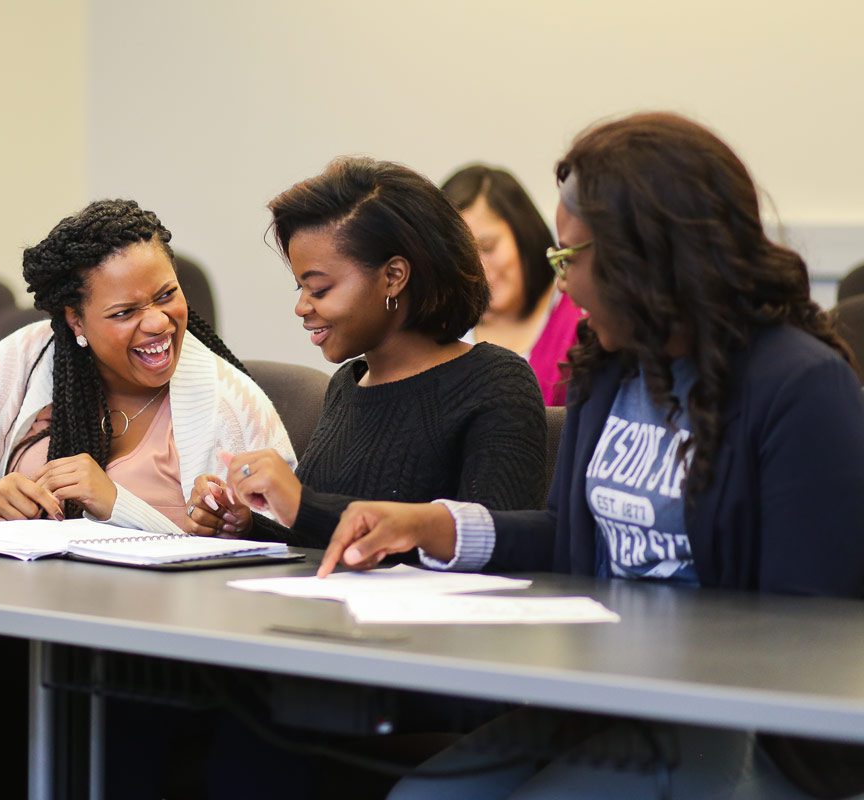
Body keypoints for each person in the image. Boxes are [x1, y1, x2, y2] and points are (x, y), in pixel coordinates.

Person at [318, 113, 864, 799]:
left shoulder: (800, 387)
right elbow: (573, 537)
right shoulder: (608, 368)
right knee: (421, 795)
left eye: (570, 258)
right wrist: (437, 526)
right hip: (604, 695)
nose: (564, 285)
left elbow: (809, 627)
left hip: (728, 721)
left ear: (647, 255)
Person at [186, 157, 546, 549]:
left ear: (393, 276)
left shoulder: (495, 382)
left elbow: (502, 547)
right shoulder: (350, 383)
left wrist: (302, 504)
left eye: (319, 289)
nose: (303, 307)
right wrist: (246, 525)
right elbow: (321, 537)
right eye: (300, 290)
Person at [0, 199, 293, 530]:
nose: (156, 322)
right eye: (123, 312)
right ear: (75, 320)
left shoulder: (230, 404)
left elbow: (276, 544)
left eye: (166, 295)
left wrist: (116, 503)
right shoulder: (32, 354)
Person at [441, 164, 583, 405]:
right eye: (462, 256)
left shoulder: (578, 314)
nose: (479, 268)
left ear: (524, 233)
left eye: (488, 247)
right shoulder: (442, 331)